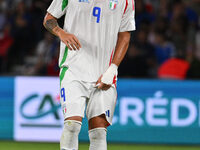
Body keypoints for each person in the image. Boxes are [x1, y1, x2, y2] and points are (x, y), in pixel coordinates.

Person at [43, 0, 135, 150]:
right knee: (72, 126)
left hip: (103, 73)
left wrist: (112, 69)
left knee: (99, 132)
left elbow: (125, 36)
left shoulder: (126, 1)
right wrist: (61, 32)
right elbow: (49, 18)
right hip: (73, 68)